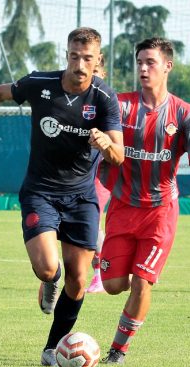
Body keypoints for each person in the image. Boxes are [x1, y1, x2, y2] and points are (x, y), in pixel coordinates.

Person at [0, 27, 124, 366]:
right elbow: (0, 92)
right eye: (74, 56)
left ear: (98, 60)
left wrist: (106, 144)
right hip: (41, 191)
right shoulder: (41, 84)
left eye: (87, 58)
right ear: (66, 54)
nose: (79, 64)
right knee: (47, 267)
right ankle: (50, 282)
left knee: (80, 279)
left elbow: (119, 156)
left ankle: (52, 347)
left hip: (82, 198)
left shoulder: (105, 98)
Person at [97, 37, 190, 364]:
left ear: (167, 66)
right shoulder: (119, 106)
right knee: (114, 285)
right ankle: (103, 261)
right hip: (122, 207)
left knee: (142, 282)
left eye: (150, 62)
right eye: (139, 63)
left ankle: (118, 350)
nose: (144, 69)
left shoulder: (184, 113)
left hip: (160, 212)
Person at [87, 56, 111, 294]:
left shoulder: (106, 102)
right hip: (76, 174)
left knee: (93, 221)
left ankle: (101, 274)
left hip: (100, 174)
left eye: (95, 71)